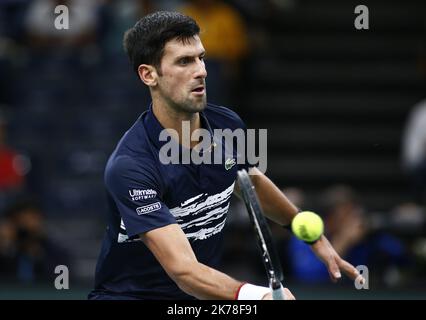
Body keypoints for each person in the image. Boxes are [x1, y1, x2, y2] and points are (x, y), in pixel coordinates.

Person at [88, 11, 360, 300]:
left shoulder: (227, 125)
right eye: (184, 61)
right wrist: (258, 296)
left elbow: (249, 181)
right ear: (148, 74)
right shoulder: (131, 166)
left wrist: (307, 232)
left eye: (200, 57)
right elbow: (183, 270)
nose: (201, 70)